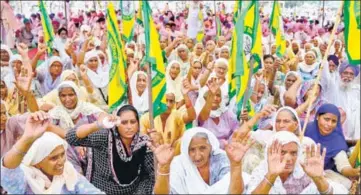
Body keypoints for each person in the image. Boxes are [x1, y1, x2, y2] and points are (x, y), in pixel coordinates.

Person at [1, 111, 105, 194]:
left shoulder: (68, 173)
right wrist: (27, 139)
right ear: (37, 161)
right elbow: (7, 170)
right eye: (53, 158)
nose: (61, 162)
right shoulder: (25, 180)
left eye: (62, 154)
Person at [66, 105, 155, 194]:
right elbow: (71, 137)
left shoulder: (144, 142)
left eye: (133, 122)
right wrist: (98, 124)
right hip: (100, 191)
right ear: (116, 123)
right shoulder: (105, 137)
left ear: (138, 123)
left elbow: (151, 175)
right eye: (124, 122)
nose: (129, 127)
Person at [150, 127, 252, 194]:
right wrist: (164, 167)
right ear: (186, 151)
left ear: (211, 147)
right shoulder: (179, 164)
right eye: (192, 150)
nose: (197, 156)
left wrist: (236, 165)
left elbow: (235, 192)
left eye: (202, 148)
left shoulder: (221, 159)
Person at [247, 131, 347, 194]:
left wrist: (319, 179)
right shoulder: (262, 171)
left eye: (294, 153)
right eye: (282, 152)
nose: (289, 158)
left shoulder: (305, 173)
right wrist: (271, 176)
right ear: (269, 152)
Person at [305, 103, 360, 189]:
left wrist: (354, 172)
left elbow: (343, 166)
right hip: (298, 171)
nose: (329, 124)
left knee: (346, 185)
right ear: (317, 117)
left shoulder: (337, 140)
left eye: (334, 121)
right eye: (326, 119)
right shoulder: (305, 128)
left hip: (323, 174)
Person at [321, 61, 360, 145]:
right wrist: (324, 61)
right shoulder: (333, 88)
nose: (348, 76)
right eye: (345, 73)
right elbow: (325, 78)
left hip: (353, 137)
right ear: (340, 74)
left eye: (351, 74)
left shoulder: (356, 91)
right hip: (335, 134)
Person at [196, 78, 238, 148]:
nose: (215, 98)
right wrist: (211, 94)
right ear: (205, 98)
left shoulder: (226, 113)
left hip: (228, 150)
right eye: (212, 95)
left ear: (221, 98)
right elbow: (203, 117)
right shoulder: (203, 114)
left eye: (218, 95)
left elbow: (236, 130)